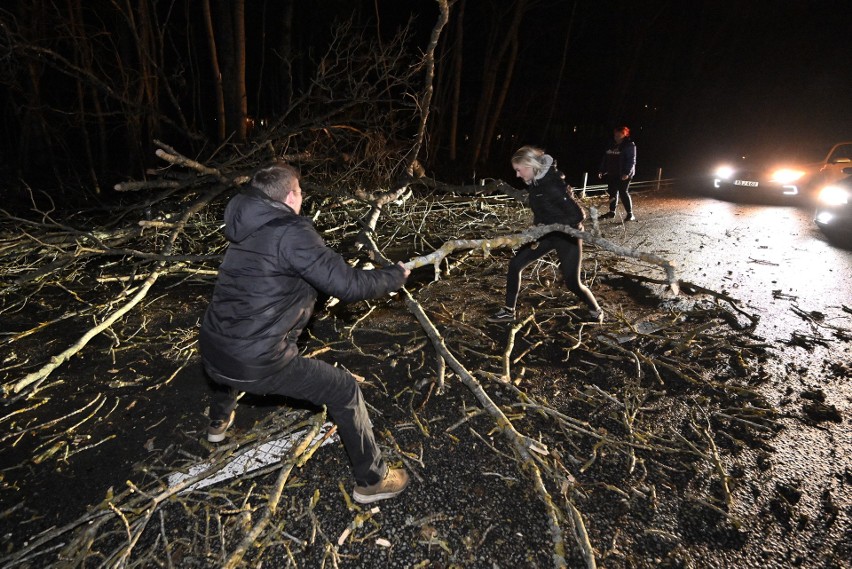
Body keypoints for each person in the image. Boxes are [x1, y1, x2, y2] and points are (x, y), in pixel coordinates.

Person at [199, 162, 411, 504]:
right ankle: (372, 481)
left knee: (233, 343)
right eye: (300, 192)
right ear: (292, 195)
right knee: (343, 390)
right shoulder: (290, 230)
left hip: (212, 347)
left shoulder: (244, 227)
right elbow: (348, 285)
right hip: (257, 361)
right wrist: (393, 277)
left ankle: (218, 423)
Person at [488, 146, 603, 324]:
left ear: (530, 165)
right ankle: (509, 311)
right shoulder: (535, 183)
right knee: (515, 264)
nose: (517, 175)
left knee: (572, 283)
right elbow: (543, 209)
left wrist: (551, 227)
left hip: (567, 236)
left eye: (518, 170)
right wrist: (538, 229)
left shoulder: (552, 184)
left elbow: (578, 215)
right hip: (545, 234)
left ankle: (596, 310)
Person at [598, 125, 637, 221]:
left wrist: (627, 173)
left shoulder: (629, 145)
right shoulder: (611, 144)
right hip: (612, 172)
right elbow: (606, 158)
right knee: (612, 192)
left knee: (623, 192)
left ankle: (630, 214)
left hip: (623, 173)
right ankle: (612, 212)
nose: (617, 137)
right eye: (616, 135)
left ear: (625, 135)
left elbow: (631, 160)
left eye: (620, 135)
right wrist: (601, 170)